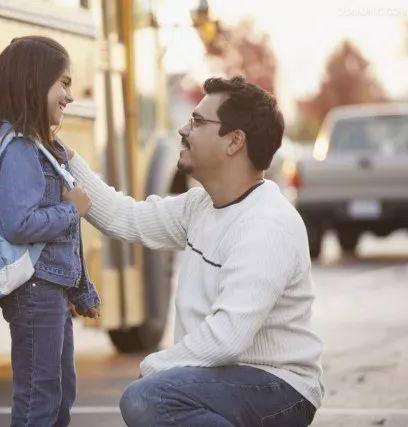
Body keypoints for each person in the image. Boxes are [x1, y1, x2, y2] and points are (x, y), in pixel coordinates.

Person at [61, 76, 324, 426]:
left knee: (149, 398)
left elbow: (228, 336)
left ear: (234, 141)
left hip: (280, 387)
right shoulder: (201, 205)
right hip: (224, 376)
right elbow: (126, 217)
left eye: (199, 121)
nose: (184, 129)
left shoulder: (267, 224)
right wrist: (63, 154)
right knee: (152, 396)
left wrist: (155, 367)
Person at [0, 36, 100, 427]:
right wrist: (71, 209)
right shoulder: (19, 149)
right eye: (63, 83)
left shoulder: (45, 147)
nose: (69, 95)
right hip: (35, 292)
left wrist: (81, 289)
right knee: (39, 398)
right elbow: (18, 223)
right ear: (34, 83)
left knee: (60, 390)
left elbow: (65, 241)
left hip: (51, 289)